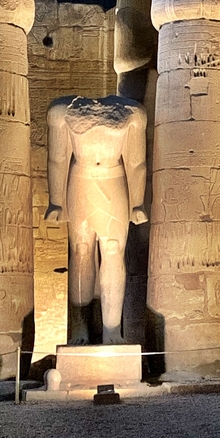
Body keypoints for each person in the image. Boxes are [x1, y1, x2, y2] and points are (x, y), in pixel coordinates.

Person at [45, 96, 148, 345]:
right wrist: (56, 200)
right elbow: (58, 158)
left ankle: (112, 330)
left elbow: (136, 162)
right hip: (81, 180)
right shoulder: (62, 111)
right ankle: (79, 328)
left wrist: (137, 203)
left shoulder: (132, 113)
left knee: (113, 250)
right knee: (81, 251)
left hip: (113, 181)